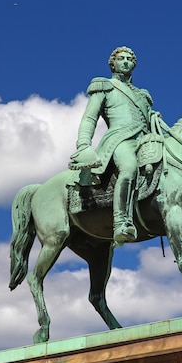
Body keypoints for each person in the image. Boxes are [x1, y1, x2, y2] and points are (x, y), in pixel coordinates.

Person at [69, 47, 154, 244]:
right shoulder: (104, 86)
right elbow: (90, 118)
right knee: (129, 169)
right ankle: (121, 222)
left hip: (146, 140)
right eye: (121, 59)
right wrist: (83, 144)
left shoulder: (143, 95)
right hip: (121, 139)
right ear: (112, 64)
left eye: (129, 59)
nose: (125, 62)